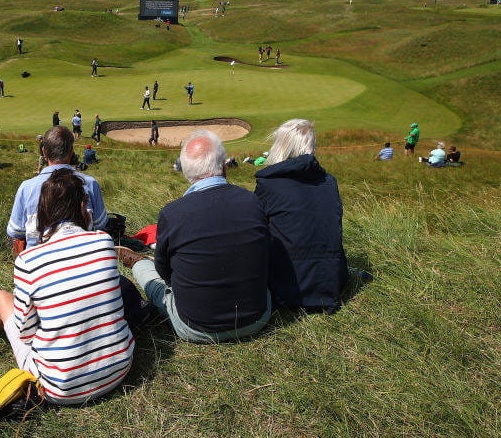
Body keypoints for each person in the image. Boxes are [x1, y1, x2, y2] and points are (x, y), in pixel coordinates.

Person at [0, 169, 134, 405]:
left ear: (42, 212)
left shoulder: (28, 260)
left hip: (61, 387)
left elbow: (26, 334)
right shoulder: (103, 242)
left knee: (2, 298)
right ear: (83, 209)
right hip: (120, 368)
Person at [117, 130, 271, 343]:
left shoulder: (172, 213)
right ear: (224, 166)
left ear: (187, 173)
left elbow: (164, 273)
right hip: (258, 318)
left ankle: (137, 262)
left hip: (195, 327)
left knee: (151, 278)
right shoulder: (253, 202)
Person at [254, 119, 349, 312]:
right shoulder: (329, 182)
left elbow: (257, 230)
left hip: (285, 290)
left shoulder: (268, 183)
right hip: (330, 284)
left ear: (280, 145)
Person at [6, 126, 108, 253]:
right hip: (84, 254)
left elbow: (15, 231)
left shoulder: (26, 188)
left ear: (44, 152)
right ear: (71, 151)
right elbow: (100, 224)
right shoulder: (90, 183)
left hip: (37, 262)